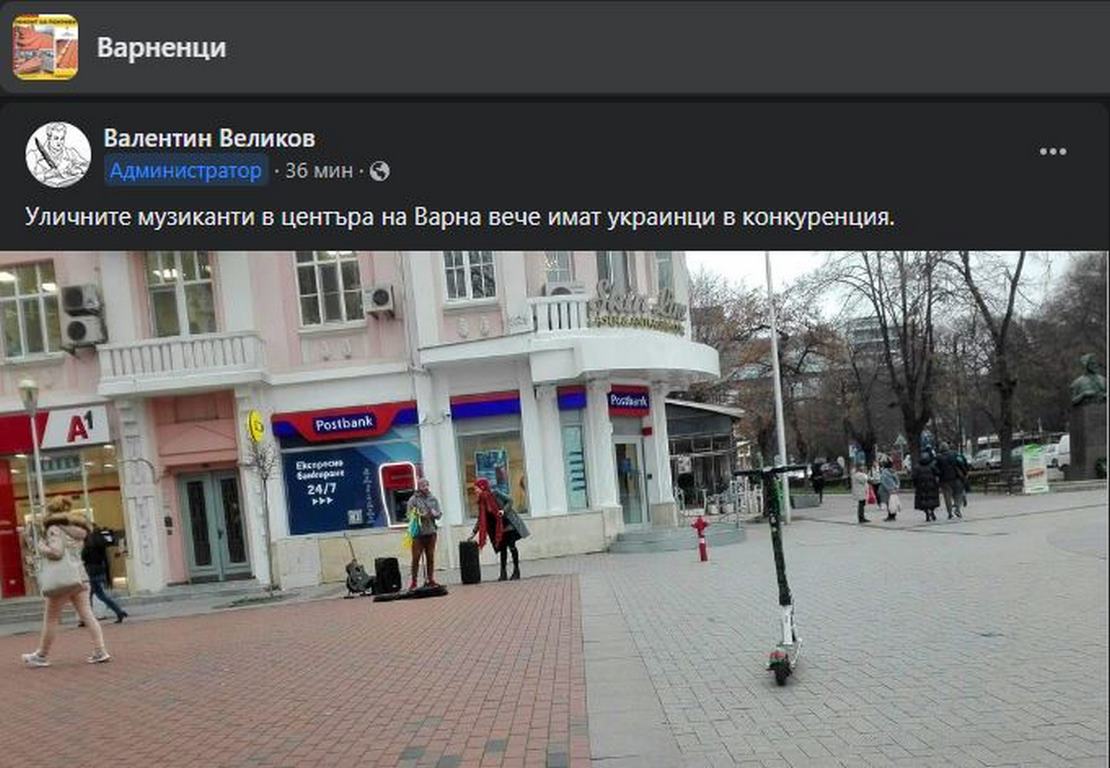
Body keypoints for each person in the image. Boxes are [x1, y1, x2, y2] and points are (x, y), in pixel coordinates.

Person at [21, 499, 111, 667]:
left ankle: (41, 655)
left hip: (62, 580)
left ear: (52, 512)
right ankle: (100, 650)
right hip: (80, 577)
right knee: (87, 615)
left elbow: (56, 552)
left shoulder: (54, 528)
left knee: (51, 618)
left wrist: (41, 547)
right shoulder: (78, 529)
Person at [470, 478, 530, 580]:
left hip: (508, 524)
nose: (475, 491)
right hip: (498, 528)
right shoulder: (481, 502)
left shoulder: (495, 493)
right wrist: (474, 532)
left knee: (512, 546)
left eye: (476, 488)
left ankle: (516, 570)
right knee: (502, 549)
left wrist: (503, 511)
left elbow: (510, 501)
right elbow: (481, 519)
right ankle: (503, 573)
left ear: (482, 487)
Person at [81, 525, 127, 625]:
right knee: (100, 595)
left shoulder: (88, 542)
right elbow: (112, 542)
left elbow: (83, 556)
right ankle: (119, 612)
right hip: (100, 570)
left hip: (90, 571)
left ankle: (86, 619)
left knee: (89, 596)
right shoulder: (101, 540)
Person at [405, 478, 442, 590]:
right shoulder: (413, 500)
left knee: (430, 556)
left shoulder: (433, 499)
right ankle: (414, 581)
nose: (425, 488)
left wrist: (435, 514)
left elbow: (439, 514)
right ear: (418, 487)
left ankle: (431, 579)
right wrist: (418, 515)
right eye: (422, 486)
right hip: (418, 534)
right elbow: (409, 515)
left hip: (431, 532)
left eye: (426, 485)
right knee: (416, 557)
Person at [936, 443, 968, 519]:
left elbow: (935, 469)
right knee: (958, 494)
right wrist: (965, 472)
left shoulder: (938, 458)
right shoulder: (955, 454)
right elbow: (961, 463)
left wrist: (938, 475)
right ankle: (957, 508)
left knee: (947, 497)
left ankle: (950, 512)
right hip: (956, 478)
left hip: (944, 480)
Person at [913, 451, 942, 522]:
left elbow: (914, 477)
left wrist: (915, 484)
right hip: (932, 485)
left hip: (921, 486)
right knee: (932, 500)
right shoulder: (931, 465)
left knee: (923, 501)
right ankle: (931, 511)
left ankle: (927, 513)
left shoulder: (917, 467)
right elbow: (938, 472)